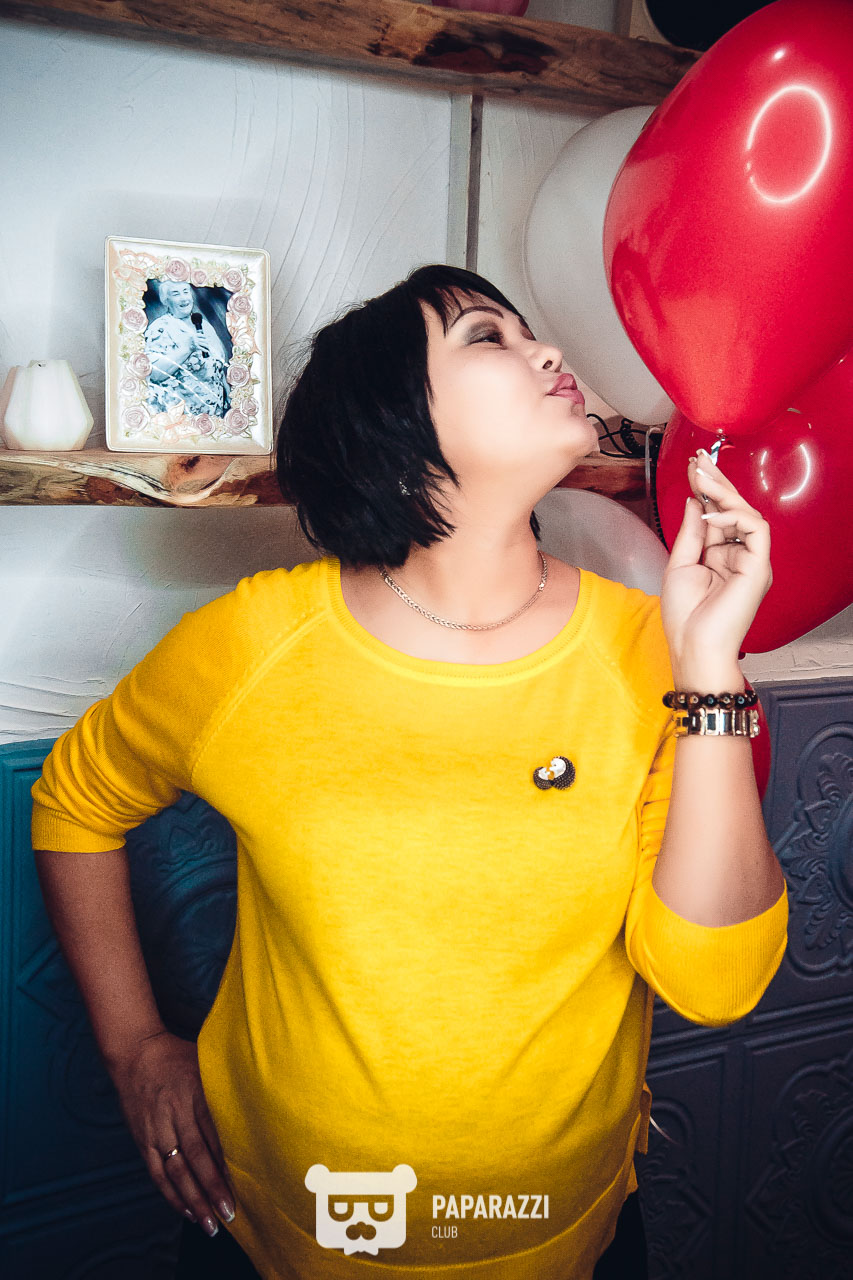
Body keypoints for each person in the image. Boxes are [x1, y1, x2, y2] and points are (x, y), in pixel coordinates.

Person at [31, 264, 788, 1280]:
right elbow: (74, 800)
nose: (548, 351)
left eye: (527, 331)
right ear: (389, 429)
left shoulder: (649, 647)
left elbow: (714, 983)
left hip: (566, 1241)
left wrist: (710, 666)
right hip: (280, 1236)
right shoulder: (253, 644)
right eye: (487, 337)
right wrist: (134, 1049)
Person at [145, 279, 230, 417]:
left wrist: (225, 388)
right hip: (183, 415)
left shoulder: (203, 324)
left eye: (185, 292)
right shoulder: (160, 328)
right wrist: (188, 348)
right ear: (166, 300)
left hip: (214, 411)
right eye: (176, 294)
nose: (184, 298)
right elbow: (154, 374)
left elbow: (216, 363)